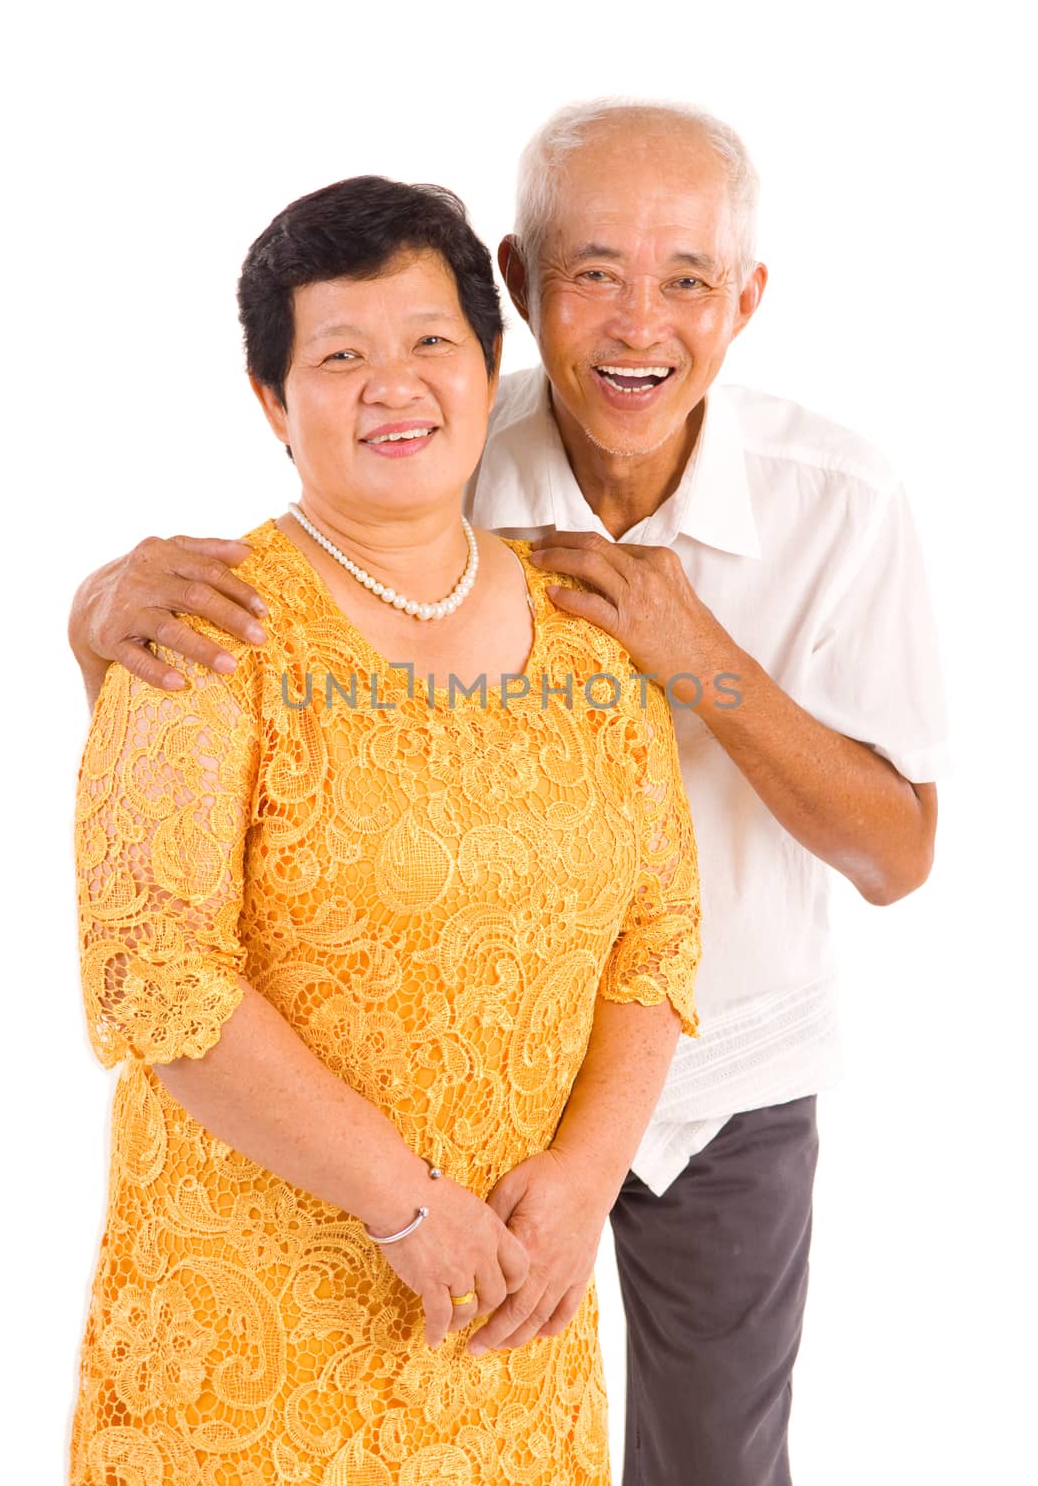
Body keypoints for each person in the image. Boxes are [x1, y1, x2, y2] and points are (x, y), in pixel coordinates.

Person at [69, 100, 950, 1486]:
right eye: (593, 273)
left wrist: (698, 660)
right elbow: (291, 593)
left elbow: (894, 858)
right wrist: (98, 611)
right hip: (416, 1134)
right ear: (523, 292)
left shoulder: (832, 499)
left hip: (723, 1070)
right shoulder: (446, 437)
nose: (639, 324)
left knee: (715, 1461)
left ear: (750, 297)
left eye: (688, 280)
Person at [68, 174, 703, 1486]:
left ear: (488, 367)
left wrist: (584, 1184)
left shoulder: (588, 636)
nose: (394, 385)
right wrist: (406, 1207)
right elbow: (158, 978)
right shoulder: (199, 628)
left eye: (430, 344)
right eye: (340, 355)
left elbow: (657, 940)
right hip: (259, 1342)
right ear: (271, 402)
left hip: (515, 1321)